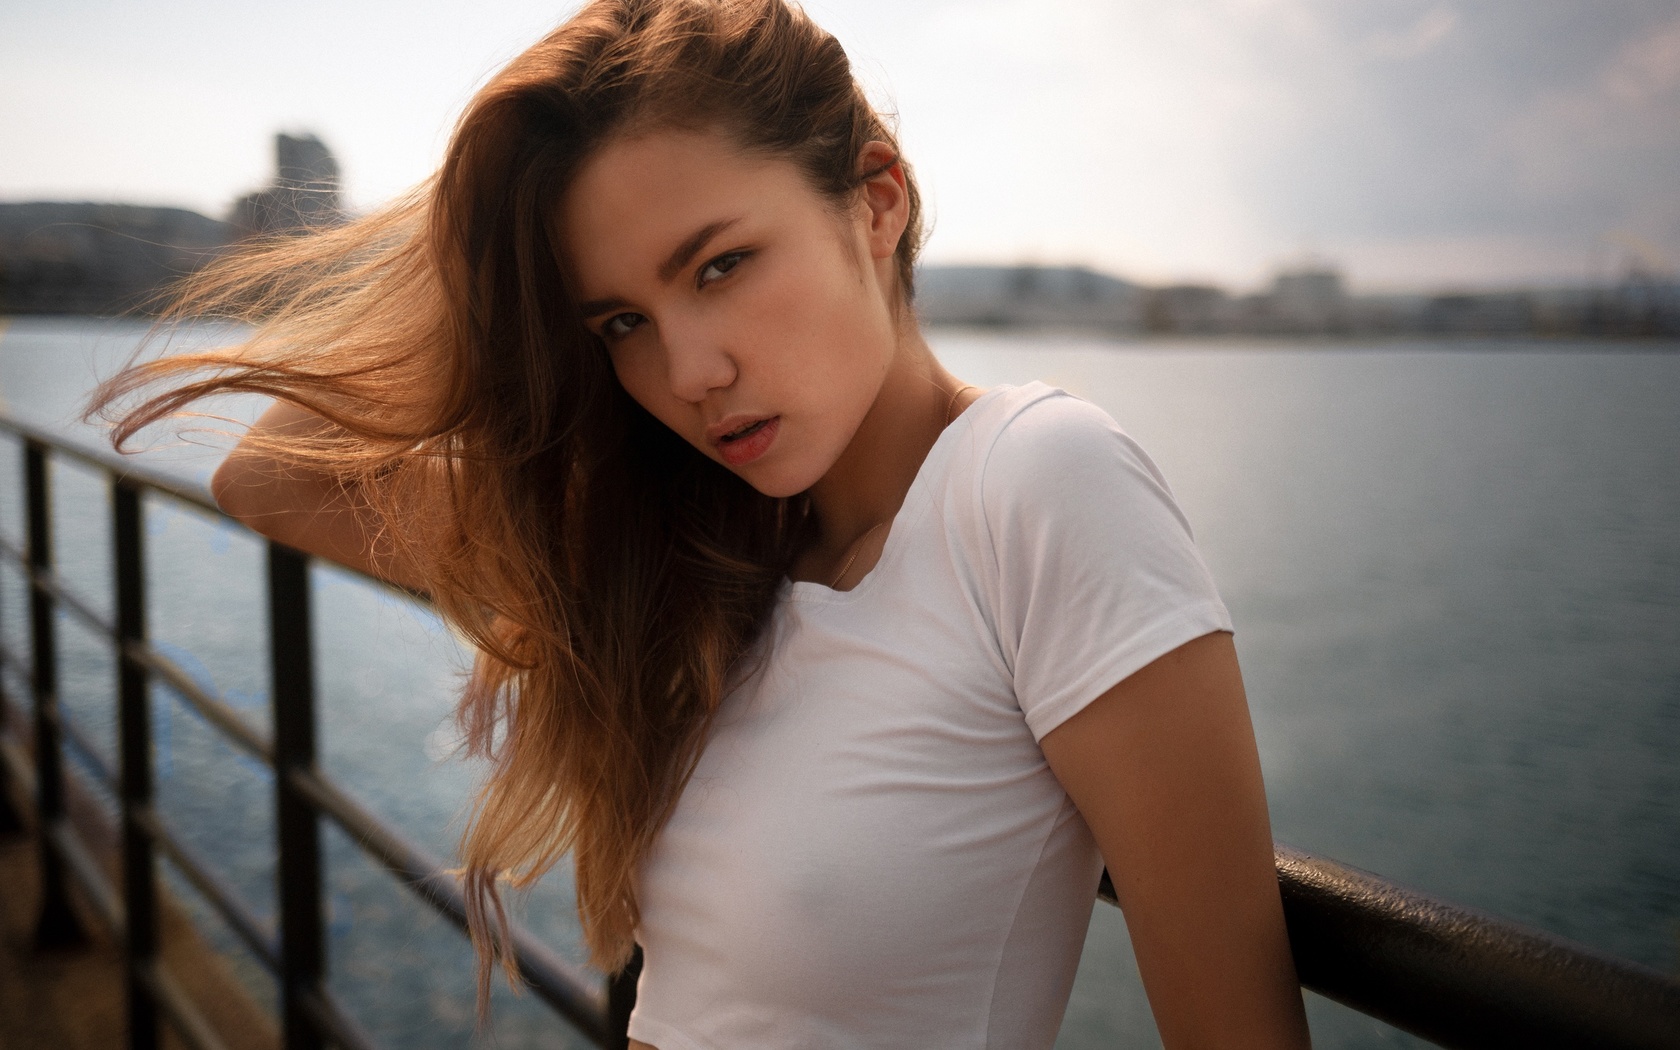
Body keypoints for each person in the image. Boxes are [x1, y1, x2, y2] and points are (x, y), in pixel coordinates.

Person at [94, 0, 1311, 1046]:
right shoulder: (697, 540)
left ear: (876, 198)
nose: (689, 372)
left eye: (720, 265)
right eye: (618, 321)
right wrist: (505, 252)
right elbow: (271, 473)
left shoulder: (1038, 485)